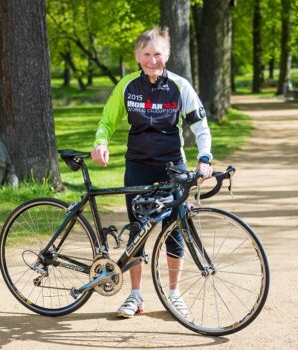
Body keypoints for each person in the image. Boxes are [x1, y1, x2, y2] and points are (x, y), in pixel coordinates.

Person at [91, 27, 213, 318]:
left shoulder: (180, 86)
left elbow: (200, 127)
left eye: (158, 53)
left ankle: (174, 294)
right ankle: (135, 296)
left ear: (167, 55)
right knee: (137, 232)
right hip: (138, 167)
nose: (152, 60)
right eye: (146, 54)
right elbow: (106, 121)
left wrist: (204, 158)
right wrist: (100, 143)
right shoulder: (128, 86)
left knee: (174, 229)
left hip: (172, 167)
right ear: (137, 56)